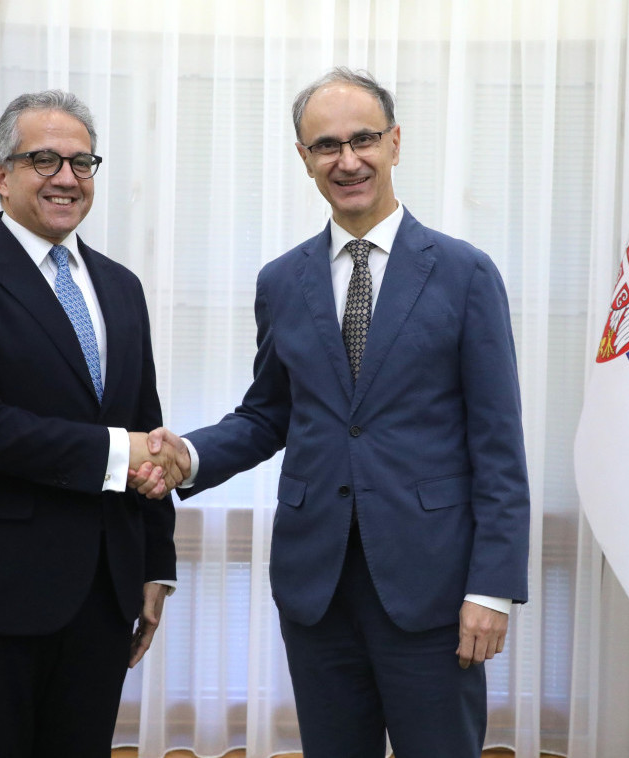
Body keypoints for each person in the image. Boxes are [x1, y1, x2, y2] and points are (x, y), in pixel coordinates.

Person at [133, 68, 530, 757]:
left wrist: (492, 589)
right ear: (304, 157)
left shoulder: (465, 274)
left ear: (395, 143)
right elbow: (267, 415)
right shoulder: (282, 281)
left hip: (432, 588)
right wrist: (187, 456)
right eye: (326, 146)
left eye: (363, 140)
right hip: (316, 588)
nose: (347, 161)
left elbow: (499, 444)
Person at [0, 89, 184, 758]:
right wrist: (118, 451)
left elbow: (147, 427)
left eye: (82, 162)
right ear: (1, 176)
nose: (67, 177)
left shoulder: (121, 286)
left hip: (104, 595)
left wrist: (156, 565)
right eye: (44, 160)